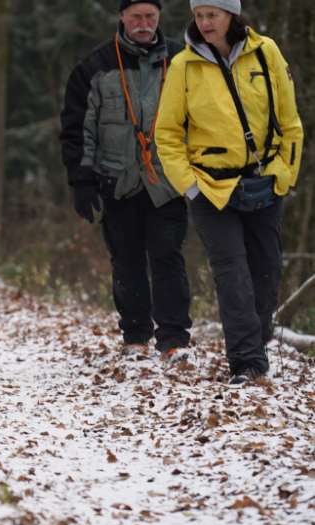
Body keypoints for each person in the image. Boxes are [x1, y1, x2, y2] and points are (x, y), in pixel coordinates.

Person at [155, 0, 303, 385]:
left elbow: (290, 122)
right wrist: (189, 186)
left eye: (212, 15)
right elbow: (167, 134)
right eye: (199, 15)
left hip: (264, 182)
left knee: (266, 272)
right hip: (211, 189)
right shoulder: (183, 66)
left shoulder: (266, 51)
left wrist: (282, 175)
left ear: (231, 15)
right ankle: (247, 362)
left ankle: (258, 340)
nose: (204, 23)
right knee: (231, 271)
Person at [60, 0, 193, 362]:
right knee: (126, 259)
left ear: (160, 18)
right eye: (136, 16)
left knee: (168, 257)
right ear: (122, 17)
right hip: (116, 181)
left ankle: (174, 339)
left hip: (167, 182)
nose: (144, 24)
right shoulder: (94, 67)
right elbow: (78, 130)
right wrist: (81, 181)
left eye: (150, 16)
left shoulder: (181, 62)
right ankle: (135, 336)